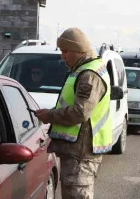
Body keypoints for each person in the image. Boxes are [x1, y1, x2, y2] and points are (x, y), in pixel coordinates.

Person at [35, 27, 113, 199]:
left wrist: (50, 115)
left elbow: (80, 112)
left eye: (65, 51)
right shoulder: (83, 69)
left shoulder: (89, 74)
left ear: (78, 50)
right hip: (76, 152)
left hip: (80, 154)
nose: (62, 56)